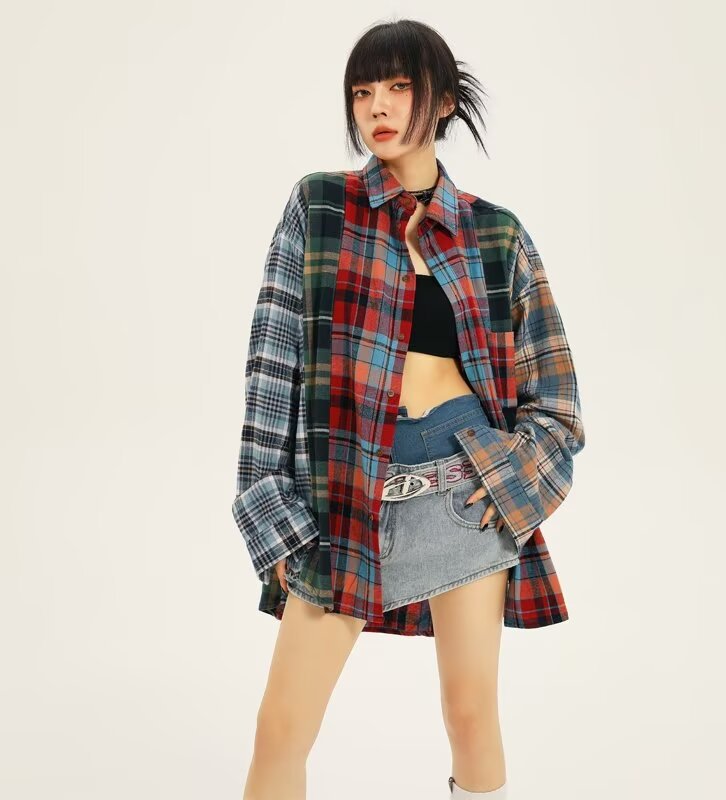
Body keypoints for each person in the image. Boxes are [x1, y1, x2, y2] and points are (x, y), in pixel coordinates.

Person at [232, 18, 586, 800]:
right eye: (363, 91)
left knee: (471, 715)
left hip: (464, 491)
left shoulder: (496, 234)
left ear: (445, 100)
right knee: (282, 729)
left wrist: (509, 485)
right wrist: (270, 511)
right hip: (345, 501)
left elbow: (556, 401)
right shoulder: (320, 206)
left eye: (398, 87)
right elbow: (272, 362)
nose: (378, 107)